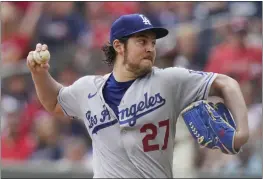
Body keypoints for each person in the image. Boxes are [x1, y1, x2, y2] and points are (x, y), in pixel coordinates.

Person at [27, 14, 249, 178]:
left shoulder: (169, 80)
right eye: (142, 41)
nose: (150, 48)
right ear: (118, 46)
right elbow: (54, 101)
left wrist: (242, 133)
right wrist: (39, 74)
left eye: (153, 43)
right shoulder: (88, 88)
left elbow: (226, 83)